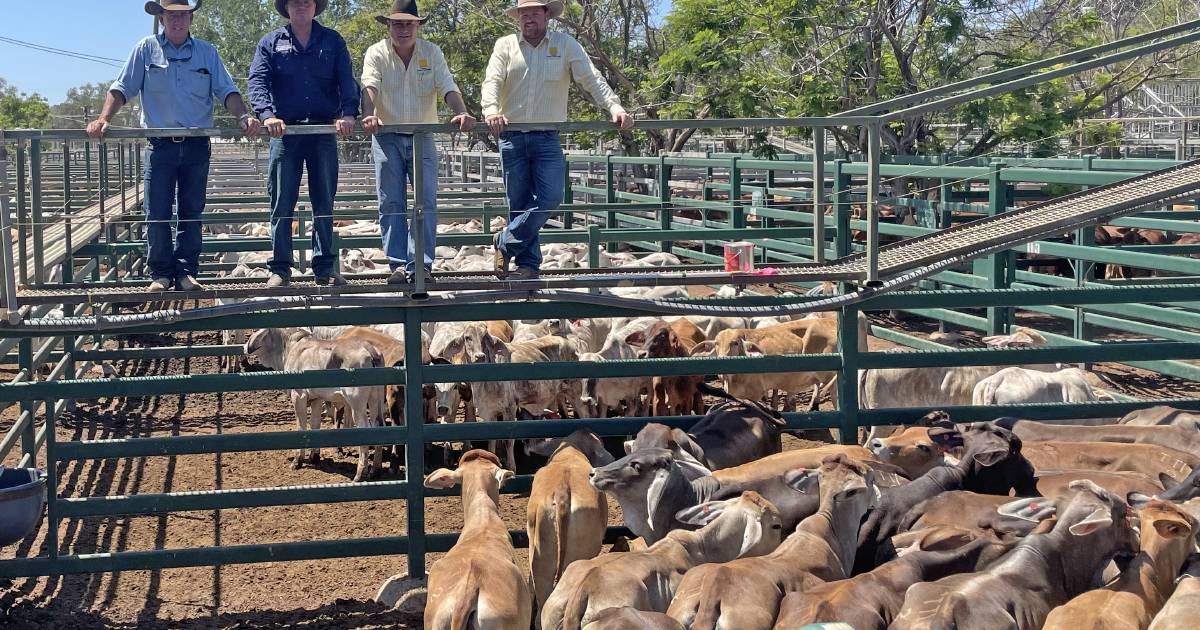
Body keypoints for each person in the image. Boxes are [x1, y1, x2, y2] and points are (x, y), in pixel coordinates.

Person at [87, 0, 259, 292]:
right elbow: (122, 87)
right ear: (162, 18)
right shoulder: (146, 49)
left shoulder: (207, 52)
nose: (177, 21)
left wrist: (243, 115)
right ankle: (161, 273)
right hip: (160, 145)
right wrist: (103, 118)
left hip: (195, 144)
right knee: (157, 211)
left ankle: (186, 271)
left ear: (191, 18)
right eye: (171, 16)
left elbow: (227, 90)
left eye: (182, 15)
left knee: (191, 210)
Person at [482, 0, 634, 280]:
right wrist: (491, 110)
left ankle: (504, 242)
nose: (528, 19)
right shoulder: (505, 45)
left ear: (546, 15)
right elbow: (492, 80)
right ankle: (527, 266)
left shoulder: (564, 45)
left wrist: (614, 106)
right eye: (523, 14)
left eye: (534, 13)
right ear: (517, 18)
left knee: (552, 197)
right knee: (519, 203)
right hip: (511, 135)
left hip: (546, 136)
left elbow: (591, 78)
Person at [360, 0, 476, 284]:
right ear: (388, 25)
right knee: (391, 201)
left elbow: (447, 85)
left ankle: (421, 264)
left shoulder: (431, 52)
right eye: (397, 24)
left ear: (418, 26)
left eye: (409, 24)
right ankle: (399, 264)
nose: (403, 29)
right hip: (386, 135)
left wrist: (460, 110)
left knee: (426, 200)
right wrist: (368, 115)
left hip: (422, 134)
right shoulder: (377, 53)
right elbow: (370, 85)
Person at [248, 0, 359, 287]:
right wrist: (267, 114)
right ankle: (280, 268)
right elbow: (257, 81)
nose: (301, 6)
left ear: (314, 7)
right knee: (282, 201)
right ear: (286, 7)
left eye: (306, 1)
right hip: (285, 132)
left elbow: (347, 81)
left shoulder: (332, 41)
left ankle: (324, 267)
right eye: (295, 2)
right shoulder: (270, 42)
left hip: (323, 130)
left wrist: (348, 113)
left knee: (324, 200)